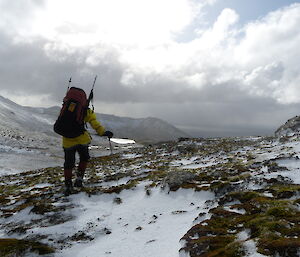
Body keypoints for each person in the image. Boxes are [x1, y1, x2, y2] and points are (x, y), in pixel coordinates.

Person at [60, 92, 113, 196]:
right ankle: (79, 179)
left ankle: (68, 185)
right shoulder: (85, 111)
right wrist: (103, 132)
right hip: (81, 140)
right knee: (84, 158)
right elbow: (94, 123)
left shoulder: (66, 108)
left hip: (67, 141)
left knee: (68, 163)